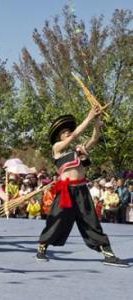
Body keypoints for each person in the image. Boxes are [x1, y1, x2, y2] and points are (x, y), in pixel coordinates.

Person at [36, 108, 128, 267]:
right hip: (66, 192)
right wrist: (88, 117)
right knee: (57, 221)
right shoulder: (57, 149)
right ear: (59, 136)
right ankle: (42, 247)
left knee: (91, 220)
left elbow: (92, 140)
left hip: (82, 191)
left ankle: (108, 253)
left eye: (68, 131)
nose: (67, 133)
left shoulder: (77, 151)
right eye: (63, 132)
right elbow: (75, 136)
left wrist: (96, 126)